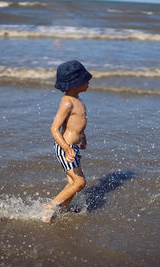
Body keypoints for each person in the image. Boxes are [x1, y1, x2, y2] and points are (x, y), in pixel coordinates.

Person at [41, 60, 92, 223]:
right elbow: (54, 129)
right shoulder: (67, 102)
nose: (88, 82)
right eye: (85, 79)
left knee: (72, 183)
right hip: (66, 148)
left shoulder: (77, 100)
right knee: (80, 182)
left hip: (73, 147)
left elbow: (75, 125)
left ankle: (62, 211)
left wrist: (82, 138)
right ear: (75, 83)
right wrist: (66, 148)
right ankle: (49, 207)